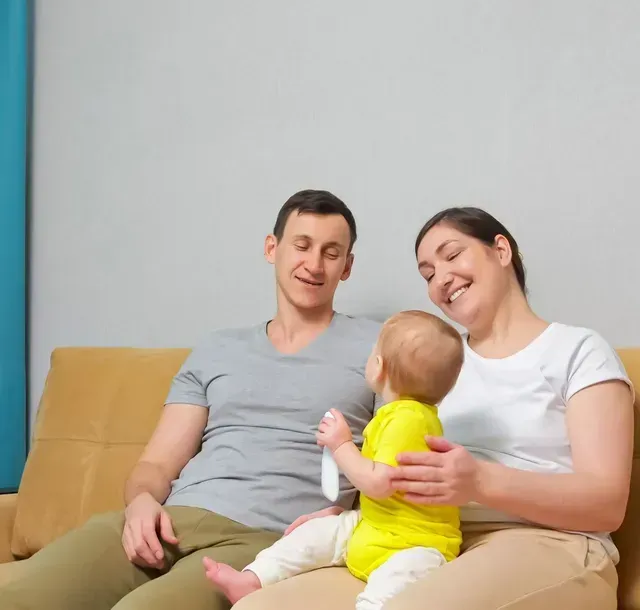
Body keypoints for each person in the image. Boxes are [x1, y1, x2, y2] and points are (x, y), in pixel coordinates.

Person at [0, 189, 380, 610]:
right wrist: (141, 502)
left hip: (266, 539)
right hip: (172, 518)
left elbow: (397, 458)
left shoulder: (380, 348)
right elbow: (157, 464)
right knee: (19, 597)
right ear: (272, 249)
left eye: (331, 252)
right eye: (302, 245)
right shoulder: (219, 348)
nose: (314, 264)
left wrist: (350, 519)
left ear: (347, 267)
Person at [273, 206, 634, 610]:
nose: (440, 279)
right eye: (427, 274)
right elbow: (391, 460)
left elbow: (606, 504)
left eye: (451, 254)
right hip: (423, 543)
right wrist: (348, 514)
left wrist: (479, 481)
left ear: (501, 250)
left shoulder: (579, 351)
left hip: (550, 541)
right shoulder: (431, 365)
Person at [204, 310, 463, 610]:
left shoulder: (408, 419)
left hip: (417, 546)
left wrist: (340, 445)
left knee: (394, 588)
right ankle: (254, 579)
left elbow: (379, 482)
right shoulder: (398, 416)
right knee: (316, 533)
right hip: (376, 525)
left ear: (378, 367)